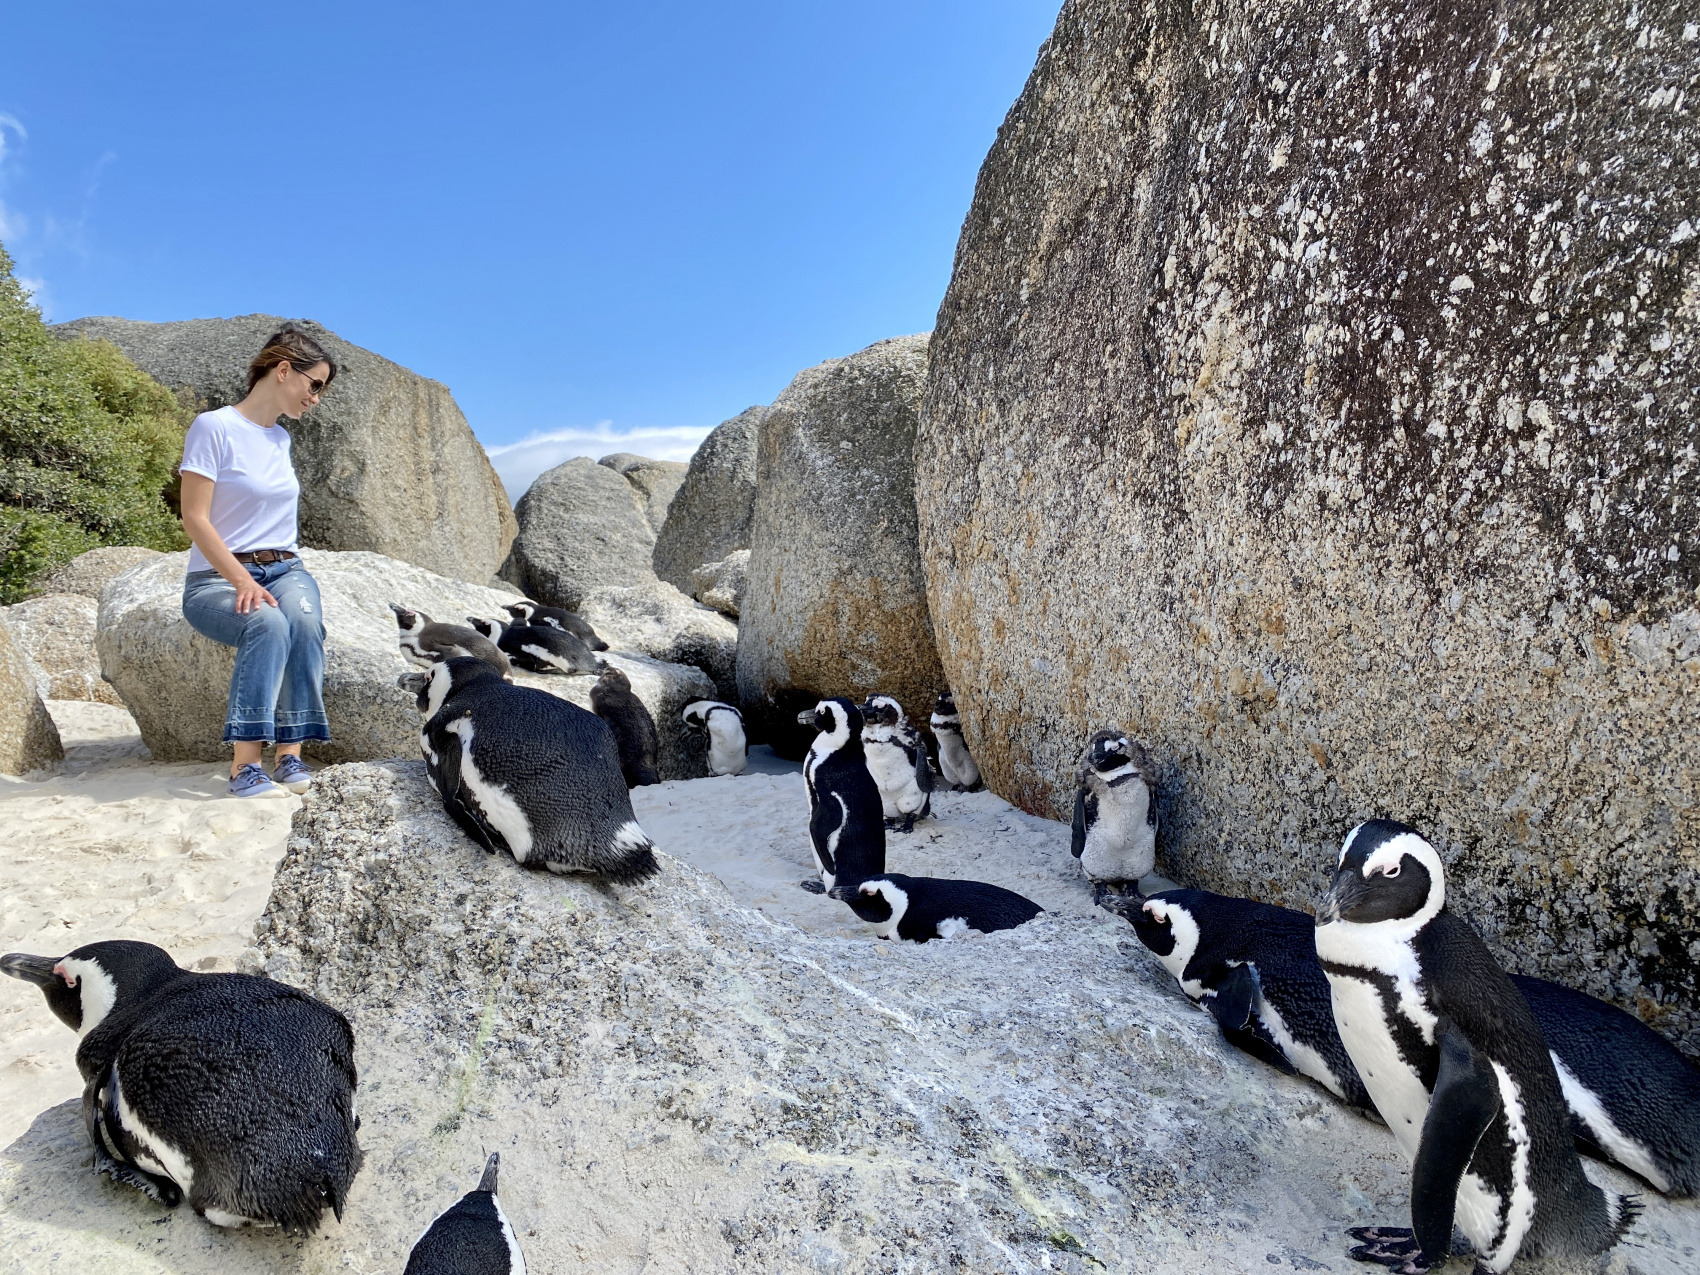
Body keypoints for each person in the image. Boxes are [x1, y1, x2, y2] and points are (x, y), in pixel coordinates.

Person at [178, 325, 336, 798]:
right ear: (283, 370)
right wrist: (242, 579)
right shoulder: (214, 427)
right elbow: (194, 517)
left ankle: (290, 756)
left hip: (287, 568)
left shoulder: (281, 440)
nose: (316, 398)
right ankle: (245, 764)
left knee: (304, 624)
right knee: (266, 624)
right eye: (315, 385)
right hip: (215, 578)